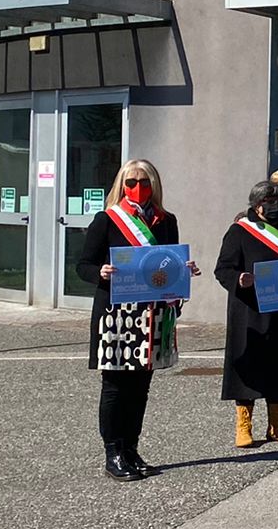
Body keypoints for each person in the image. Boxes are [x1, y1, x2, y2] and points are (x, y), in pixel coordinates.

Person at [77, 158, 197, 480]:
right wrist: (100, 273)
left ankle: (131, 448)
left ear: (154, 184)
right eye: (131, 182)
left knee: (141, 387)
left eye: (144, 181)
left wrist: (183, 272)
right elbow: (83, 264)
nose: (138, 188)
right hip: (116, 314)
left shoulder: (166, 221)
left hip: (152, 312)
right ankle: (113, 453)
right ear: (121, 185)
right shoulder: (107, 220)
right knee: (116, 386)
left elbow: (168, 263)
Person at [212, 179, 278, 448]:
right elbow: (222, 269)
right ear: (256, 205)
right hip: (250, 309)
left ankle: (276, 424)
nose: (274, 206)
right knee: (249, 365)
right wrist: (239, 279)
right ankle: (243, 425)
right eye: (268, 202)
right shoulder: (240, 231)